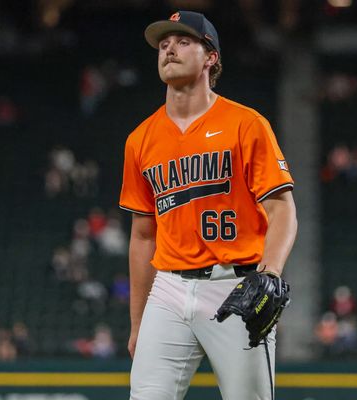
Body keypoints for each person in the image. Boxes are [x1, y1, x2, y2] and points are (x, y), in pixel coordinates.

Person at [119, 10, 297, 400]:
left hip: (236, 285)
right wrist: (137, 323)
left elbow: (283, 210)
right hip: (168, 289)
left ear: (211, 57)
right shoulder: (140, 140)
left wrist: (269, 275)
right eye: (163, 45)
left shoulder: (246, 124)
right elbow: (142, 235)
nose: (169, 49)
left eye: (183, 42)